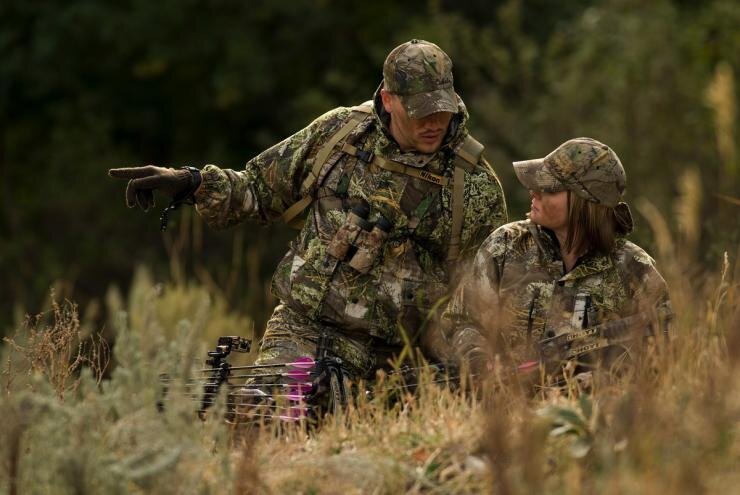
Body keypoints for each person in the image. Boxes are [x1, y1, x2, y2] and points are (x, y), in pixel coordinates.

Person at [109, 40, 508, 385]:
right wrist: (192, 182)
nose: (435, 122)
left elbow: (479, 298)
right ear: (387, 99)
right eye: (420, 110)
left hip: (398, 362)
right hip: (303, 330)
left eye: (442, 108)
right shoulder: (339, 134)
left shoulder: (472, 185)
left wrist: (470, 362)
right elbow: (259, 189)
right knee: (268, 421)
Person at [443, 137, 671, 379]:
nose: (534, 192)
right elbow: (462, 320)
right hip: (508, 409)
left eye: (549, 188)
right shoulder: (506, 245)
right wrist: (478, 361)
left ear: (584, 202)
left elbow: (662, 348)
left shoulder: (633, 267)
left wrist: (605, 380)